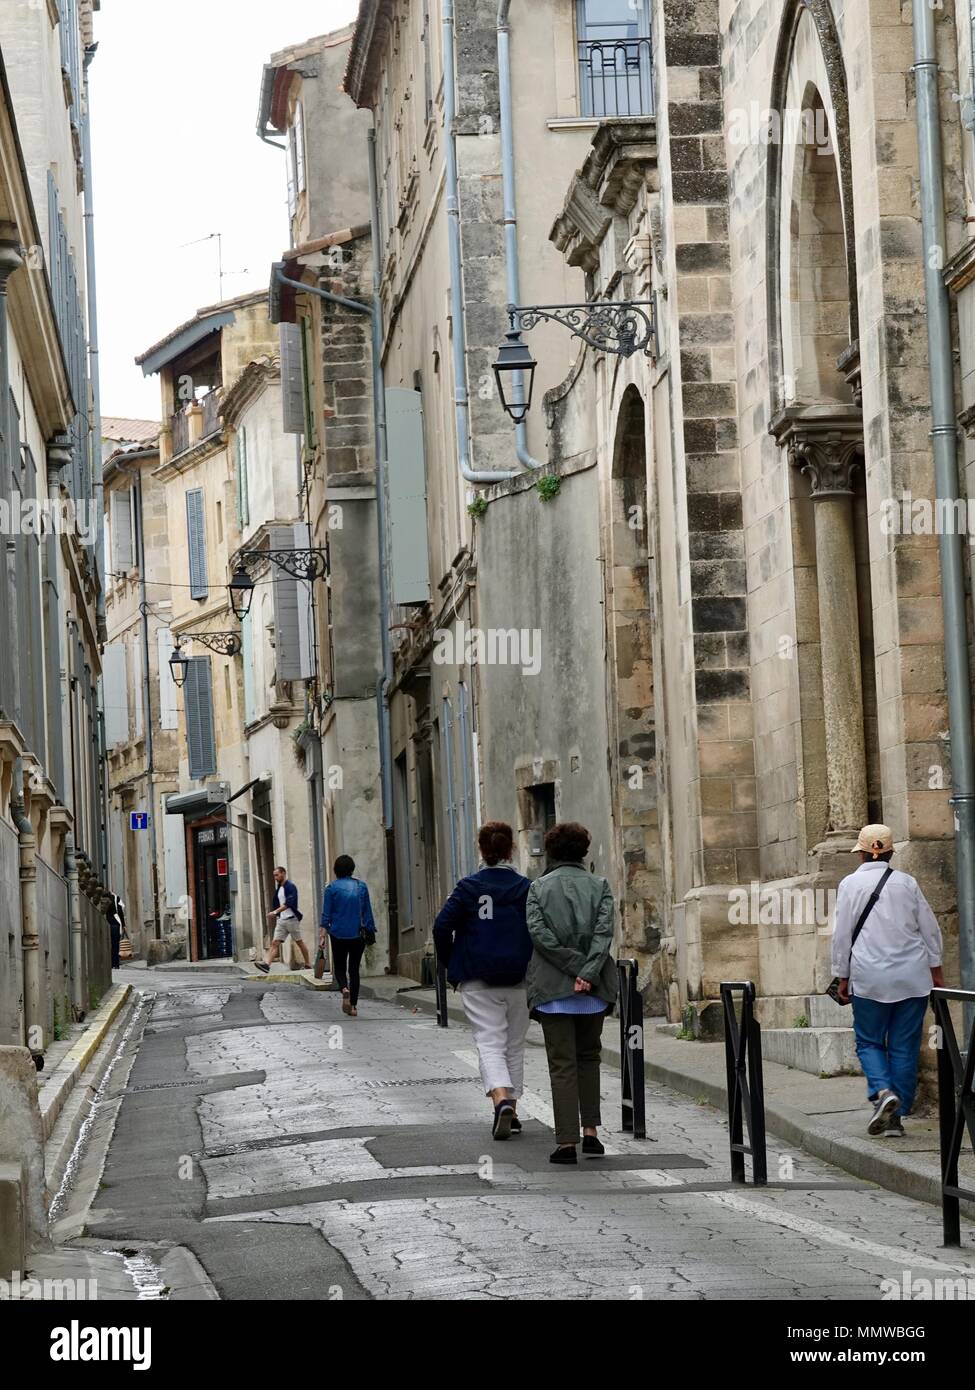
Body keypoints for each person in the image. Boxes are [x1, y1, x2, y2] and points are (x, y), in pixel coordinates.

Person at [832, 823, 944, 1138]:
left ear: (862, 853)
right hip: (912, 977)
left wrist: (842, 975)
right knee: (904, 1046)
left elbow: (841, 936)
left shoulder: (849, 885)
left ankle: (883, 1093)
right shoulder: (907, 883)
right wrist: (936, 971)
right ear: (891, 851)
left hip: (869, 977)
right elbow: (930, 929)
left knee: (868, 1041)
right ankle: (896, 1117)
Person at [433, 822, 533, 1140]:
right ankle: (512, 1110)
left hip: (477, 976)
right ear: (510, 849)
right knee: (514, 1045)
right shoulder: (525, 888)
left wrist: (453, 963)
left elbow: (440, 927)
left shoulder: (468, 887)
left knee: (489, 1043)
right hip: (518, 976)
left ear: (481, 849)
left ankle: (501, 1099)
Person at [526, 822, 617, 1165]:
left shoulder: (538, 889)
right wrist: (588, 970)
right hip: (591, 990)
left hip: (553, 990)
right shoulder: (600, 886)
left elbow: (539, 935)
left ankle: (566, 1142)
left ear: (550, 851)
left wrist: (572, 968)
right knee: (589, 1058)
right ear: (583, 852)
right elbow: (604, 932)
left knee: (561, 1064)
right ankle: (591, 1133)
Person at [320, 855, 376, 1016]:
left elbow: (326, 915)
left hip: (337, 934)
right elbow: (367, 913)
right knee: (354, 970)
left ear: (335, 870)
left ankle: (344, 988)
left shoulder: (331, 889)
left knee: (339, 967)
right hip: (358, 934)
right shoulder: (361, 887)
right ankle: (353, 1006)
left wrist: (322, 935)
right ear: (351, 869)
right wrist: (371, 931)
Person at [255, 866, 310, 974]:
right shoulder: (279, 888)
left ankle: (308, 963)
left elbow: (289, 903)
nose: (275, 877)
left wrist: (275, 912)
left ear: (283, 873)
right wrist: (277, 914)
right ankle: (267, 964)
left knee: (299, 942)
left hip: (291, 920)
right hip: (282, 920)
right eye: (274, 875)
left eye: (277, 875)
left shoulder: (290, 887)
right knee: (275, 942)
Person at [106, 891, 126, 971]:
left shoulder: (103, 898)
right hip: (115, 923)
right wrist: (124, 925)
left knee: (107, 945)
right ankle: (116, 964)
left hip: (106, 922)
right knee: (115, 945)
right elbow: (120, 912)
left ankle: (109, 963)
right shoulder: (116, 898)